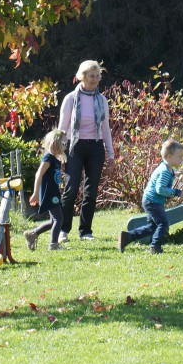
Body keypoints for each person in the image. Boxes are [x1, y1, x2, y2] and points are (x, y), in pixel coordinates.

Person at [57, 60, 114, 241]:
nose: (95, 80)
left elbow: (105, 128)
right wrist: (58, 151)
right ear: (82, 76)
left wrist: (111, 154)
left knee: (91, 191)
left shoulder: (102, 100)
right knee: (71, 188)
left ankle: (85, 231)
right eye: (91, 76)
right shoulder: (71, 99)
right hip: (75, 147)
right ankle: (63, 230)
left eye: (98, 76)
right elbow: (62, 128)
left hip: (95, 147)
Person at [118, 139, 183, 254]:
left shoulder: (167, 168)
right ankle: (155, 247)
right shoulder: (164, 171)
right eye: (179, 156)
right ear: (169, 157)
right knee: (163, 223)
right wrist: (175, 192)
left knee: (151, 227)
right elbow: (160, 189)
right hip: (152, 201)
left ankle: (127, 237)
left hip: (151, 200)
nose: (181, 159)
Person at [27, 129, 67, 250]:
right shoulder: (48, 158)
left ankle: (32, 234)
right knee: (59, 219)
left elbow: (52, 176)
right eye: (64, 143)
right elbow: (38, 174)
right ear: (56, 143)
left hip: (54, 193)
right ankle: (54, 244)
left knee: (52, 221)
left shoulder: (55, 159)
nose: (66, 145)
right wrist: (35, 193)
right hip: (49, 194)